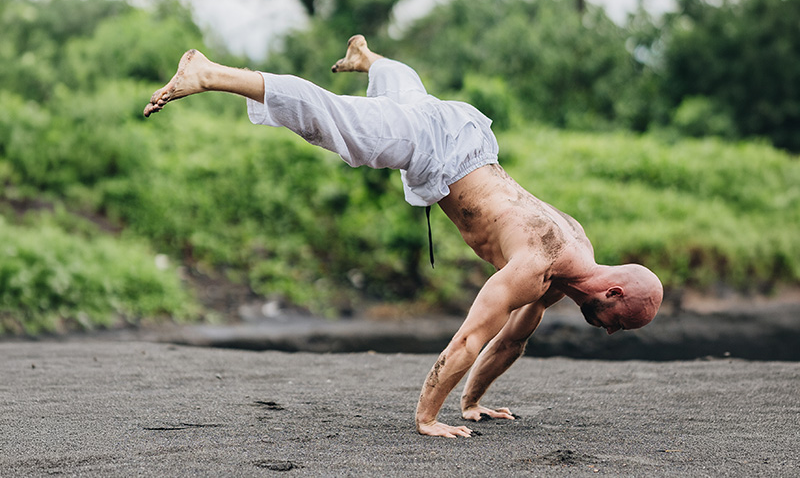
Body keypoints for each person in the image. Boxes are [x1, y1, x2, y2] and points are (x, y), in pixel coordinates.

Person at [144, 35, 663, 438]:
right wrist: (428, 417)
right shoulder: (538, 264)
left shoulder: (572, 255)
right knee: (335, 121)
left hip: (463, 137)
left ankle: (369, 59)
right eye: (620, 322)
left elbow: (512, 339)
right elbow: (470, 338)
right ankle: (209, 73)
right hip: (437, 147)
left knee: (409, 97)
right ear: (614, 292)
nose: (612, 332)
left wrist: (472, 403)